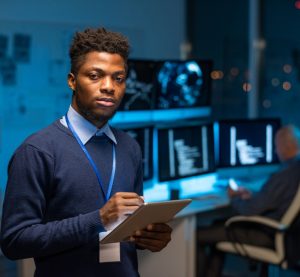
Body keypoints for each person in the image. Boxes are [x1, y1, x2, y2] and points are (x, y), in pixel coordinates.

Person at [0, 27, 172, 277]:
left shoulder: (130, 147)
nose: (108, 87)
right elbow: (14, 241)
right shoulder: (37, 151)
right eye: (95, 76)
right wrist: (98, 219)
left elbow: (129, 227)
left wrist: (152, 237)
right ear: (72, 80)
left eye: (118, 78)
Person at [197, 124, 300, 277]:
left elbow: (249, 210)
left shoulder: (284, 174)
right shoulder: (294, 169)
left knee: (196, 236)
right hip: (288, 236)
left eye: (276, 146)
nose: (275, 151)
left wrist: (234, 197)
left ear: (285, 147)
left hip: (266, 233)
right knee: (216, 226)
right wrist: (252, 195)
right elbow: (272, 199)